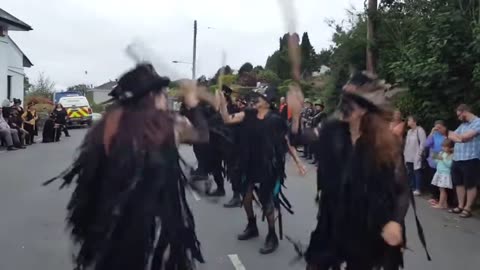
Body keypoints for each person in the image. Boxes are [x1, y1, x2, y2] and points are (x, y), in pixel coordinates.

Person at [43, 63, 209, 270]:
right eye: (162, 93)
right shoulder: (168, 124)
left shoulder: (107, 124)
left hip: (109, 219)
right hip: (150, 221)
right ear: (152, 96)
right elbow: (202, 136)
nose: (165, 97)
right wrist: (193, 105)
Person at [288, 71, 429, 270]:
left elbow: (401, 189)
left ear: (366, 108)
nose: (346, 106)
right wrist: (295, 115)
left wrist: (395, 222)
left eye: (353, 101)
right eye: (345, 99)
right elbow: (299, 139)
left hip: (369, 224)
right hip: (333, 218)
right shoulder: (332, 130)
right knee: (316, 264)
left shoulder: (383, 142)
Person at [217, 86, 305, 255]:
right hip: (249, 163)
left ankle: (272, 235)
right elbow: (227, 119)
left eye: (258, 97)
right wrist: (222, 103)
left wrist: (298, 162)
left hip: (267, 166)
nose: (254, 99)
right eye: (255, 96)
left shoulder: (275, 120)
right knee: (247, 197)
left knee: (268, 202)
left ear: (267, 102)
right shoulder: (248, 115)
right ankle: (252, 226)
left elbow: (286, 142)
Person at [447, 104, 480, 218]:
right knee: (459, 183)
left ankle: (468, 208)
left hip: (471, 158)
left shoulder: (478, 122)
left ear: (465, 112)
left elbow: (466, 136)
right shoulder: (463, 125)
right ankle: (460, 205)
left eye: (459, 115)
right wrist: (461, 138)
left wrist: (460, 137)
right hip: (457, 157)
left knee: (470, 184)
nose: (459, 118)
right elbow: (451, 135)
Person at [424, 120, 449, 205]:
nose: (438, 129)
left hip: (444, 159)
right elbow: (426, 144)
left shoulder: (447, 136)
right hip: (434, 160)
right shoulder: (434, 135)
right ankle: (434, 196)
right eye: (436, 128)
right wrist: (431, 132)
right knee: (434, 179)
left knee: (443, 180)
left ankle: (443, 199)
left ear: (444, 127)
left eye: (439, 127)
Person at [404, 115, 426, 195]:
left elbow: (423, 143)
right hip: (409, 154)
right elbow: (407, 144)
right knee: (410, 171)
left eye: (409, 120)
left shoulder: (420, 130)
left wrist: (420, 154)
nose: (408, 122)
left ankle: (418, 189)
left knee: (417, 171)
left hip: (417, 154)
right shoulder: (409, 131)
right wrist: (405, 155)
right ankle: (412, 187)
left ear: (414, 121)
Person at [431, 139, 454, 209]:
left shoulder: (451, 155)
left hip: (445, 174)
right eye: (443, 147)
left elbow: (449, 165)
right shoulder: (442, 153)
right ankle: (445, 204)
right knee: (441, 189)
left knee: (442, 190)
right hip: (439, 172)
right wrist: (435, 157)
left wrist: (443, 159)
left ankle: (440, 204)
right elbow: (437, 162)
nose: (443, 148)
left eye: (445, 147)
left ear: (450, 148)